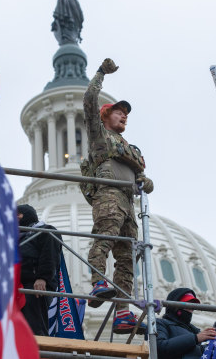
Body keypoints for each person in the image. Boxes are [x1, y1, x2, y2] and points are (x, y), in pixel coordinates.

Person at [83, 57, 154, 334]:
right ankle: (98, 282)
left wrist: (144, 180)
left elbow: (137, 175)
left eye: (126, 113)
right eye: (117, 111)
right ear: (105, 116)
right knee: (105, 237)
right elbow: (89, 100)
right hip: (109, 194)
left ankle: (123, 311)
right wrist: (101, 73)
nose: (123, 115)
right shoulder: (99, 135)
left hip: (128, 201)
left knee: (127, 257)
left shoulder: (130, 148)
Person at [17, 204, 62, 336]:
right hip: (18, 287)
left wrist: (43, 278)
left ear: (23, 215)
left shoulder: (45, 231)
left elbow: (50, 255)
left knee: (33, 326)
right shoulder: (16, 237)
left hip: (35, 286)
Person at [156, 288, 216, 359]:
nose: (191, 309)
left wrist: (211, 342)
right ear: (175, 306)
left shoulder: (196, 331)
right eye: (187, 304)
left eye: (192, 306)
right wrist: (195, 338)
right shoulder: (160, 323)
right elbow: (159, 348)